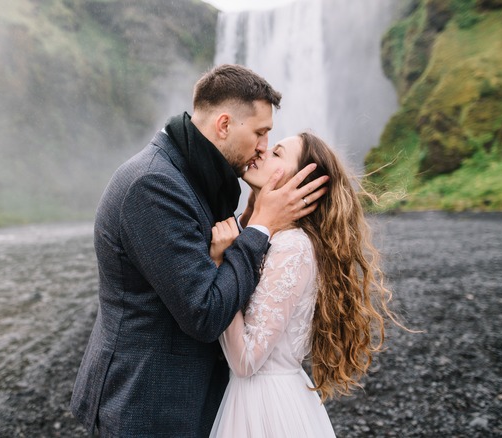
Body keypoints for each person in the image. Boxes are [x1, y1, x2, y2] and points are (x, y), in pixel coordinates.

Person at [70, 64, 328, 437]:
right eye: (260, 133)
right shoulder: (154, 185)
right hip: (145, 405)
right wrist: (260, 227)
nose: (263, 148)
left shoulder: (196, 174)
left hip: (185, 401)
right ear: (224, 125)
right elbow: (204, 313)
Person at [208, 132, 402, 437]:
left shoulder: (292, 248)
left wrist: (221, 267)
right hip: (261, 397)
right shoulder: (273, 239)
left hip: (265, 407)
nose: (262, 152)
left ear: (302, 184)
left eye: (277, 153)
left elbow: (245, 361)